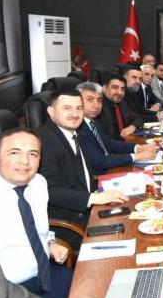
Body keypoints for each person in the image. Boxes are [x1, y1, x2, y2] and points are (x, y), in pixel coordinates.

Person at [0, 129, 73, 298]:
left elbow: (36, 228)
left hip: (45, 271)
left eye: (33, 154)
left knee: (94, 292)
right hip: (7, 288)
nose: (25, 161)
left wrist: (50, 243)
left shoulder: (38, 182)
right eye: (15, 153)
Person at [36, 90, 128, 226]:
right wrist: (93, 198)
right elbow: (48, 191)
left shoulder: (73, 133)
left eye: (79, 108)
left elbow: (81, 176)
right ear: (51, 111)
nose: (75, 114)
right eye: (67, 108)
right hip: (70, 221)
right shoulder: (43, 141)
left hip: (89, 207)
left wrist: (99, 192)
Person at [77, 82, 160, 174]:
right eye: (90, 100)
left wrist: (138, 148)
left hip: (111, 166)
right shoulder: (78, 128)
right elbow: (100, 161)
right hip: (99, 176)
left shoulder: (94, 121)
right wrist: (138, 156)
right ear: (77, 102)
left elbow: (109, 143)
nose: (96, 105)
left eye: (99, 100)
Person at [97, 74, 146, 140]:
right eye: (115, 87)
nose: (120, 93)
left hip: (126, 142)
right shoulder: (98, 106)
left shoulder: (122, 103)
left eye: (122, 89)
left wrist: (132, 127)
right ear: (104, 88)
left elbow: (138, 118)